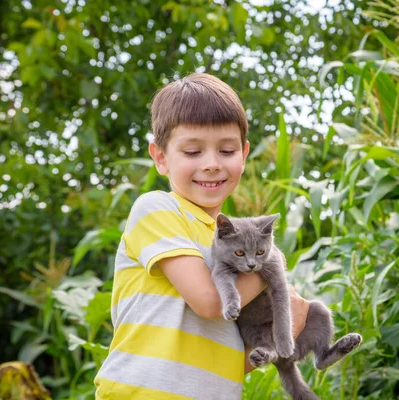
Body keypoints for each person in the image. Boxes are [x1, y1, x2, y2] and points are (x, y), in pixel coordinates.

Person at [94, 73, 310, 399]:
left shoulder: (234, 244)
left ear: (243, 154)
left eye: (226, 150)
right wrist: (274, 263)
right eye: (193, 152)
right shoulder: (157, 209)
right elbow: (210, 302)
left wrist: (287, 329)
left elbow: (226, 364)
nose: (211, 164)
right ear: (161, 157)